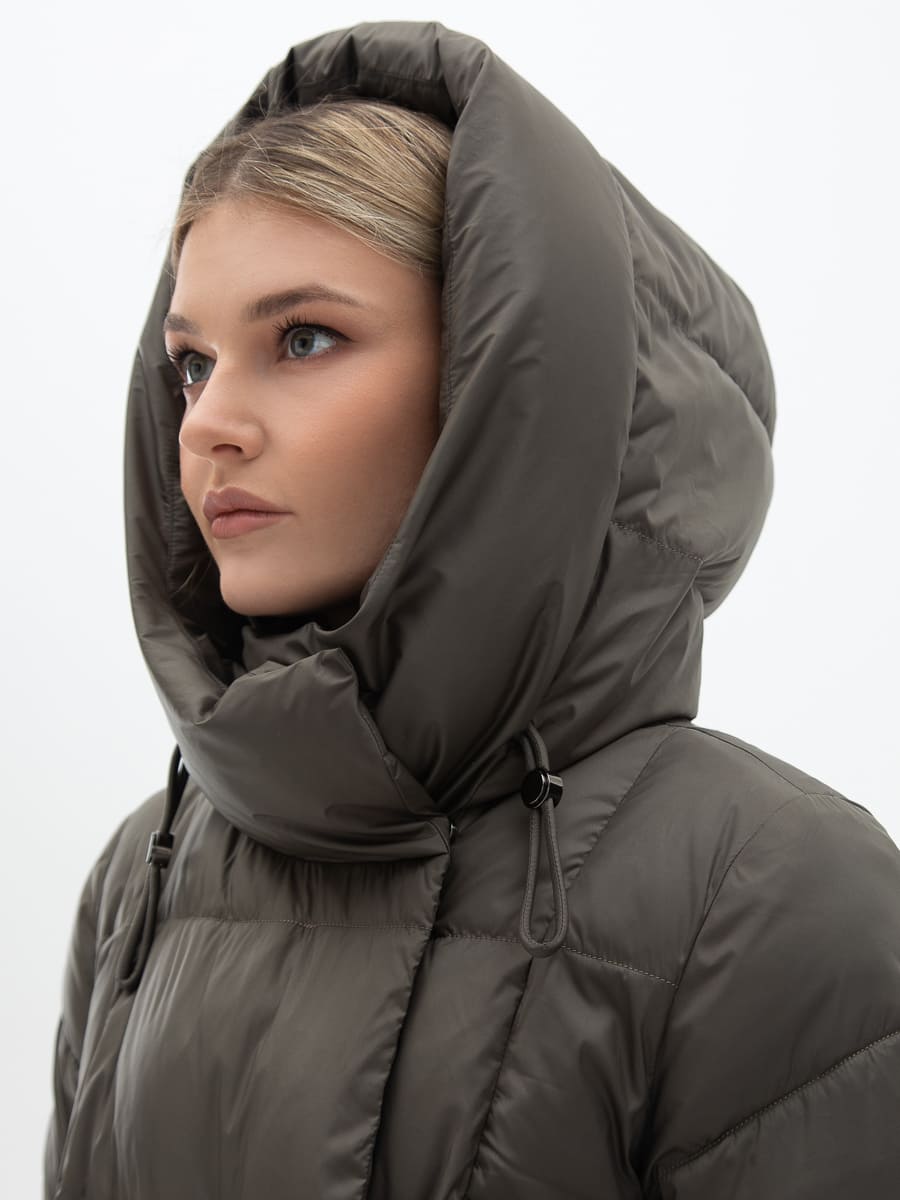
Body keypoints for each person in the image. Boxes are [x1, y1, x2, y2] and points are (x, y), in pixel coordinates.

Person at [44, 19, 900, 1200]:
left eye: (304, 339)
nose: (209, 426)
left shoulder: (768, 894)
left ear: (501, 383)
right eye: (192, 363)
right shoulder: (141, 877)